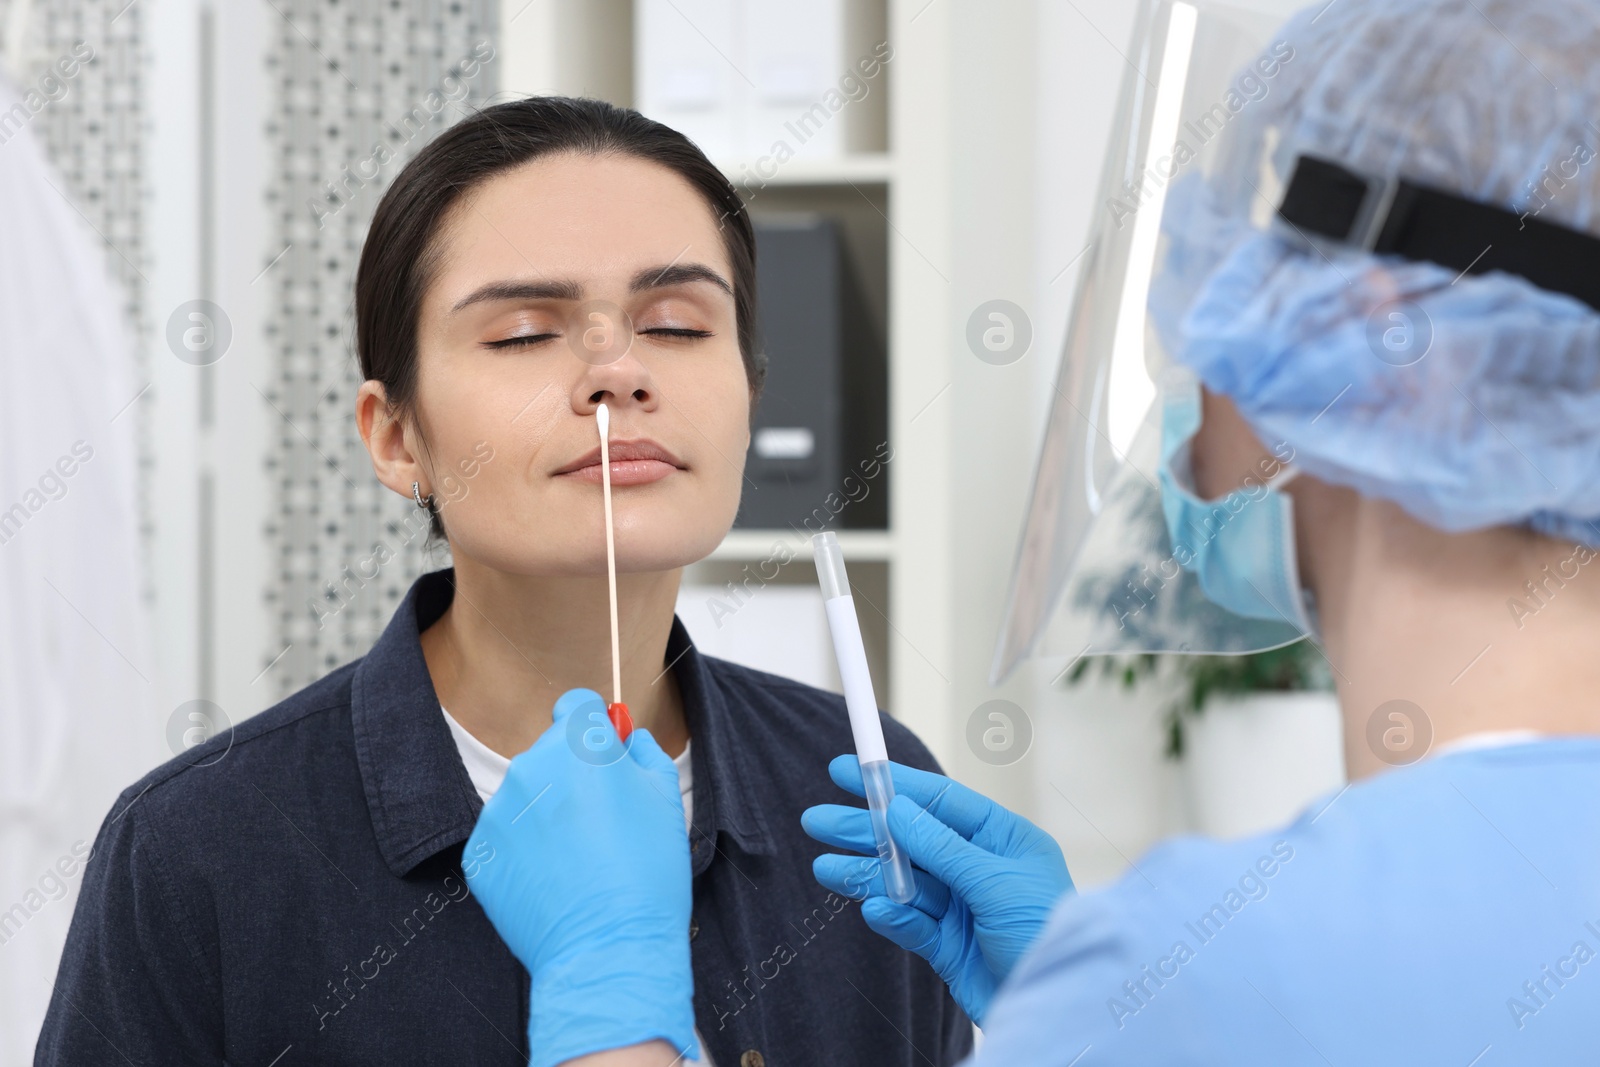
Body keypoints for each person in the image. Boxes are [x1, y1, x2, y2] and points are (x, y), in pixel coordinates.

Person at [462, 0, 1600, 1063]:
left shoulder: (1217, 974)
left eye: (1244, 286)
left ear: (1389, 351)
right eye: (520, 333)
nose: (616, 378)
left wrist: (605, 989)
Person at [35, 97, 971, 1066]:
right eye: (525, 332)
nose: (617, 371)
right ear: (397, 438)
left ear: (748, 398)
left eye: (677, 324)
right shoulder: (203, 846)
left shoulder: (864, 789)